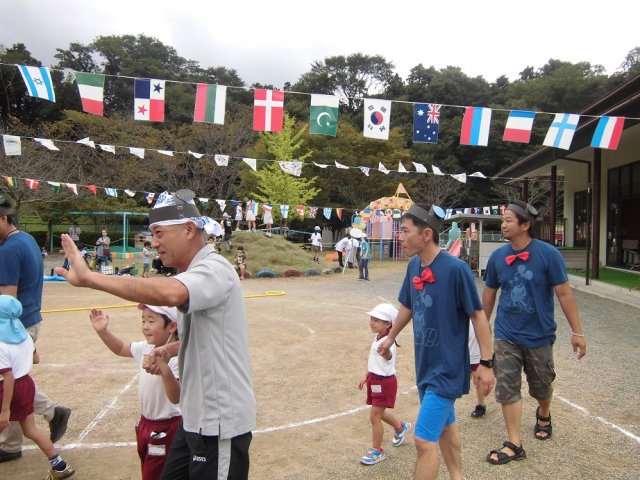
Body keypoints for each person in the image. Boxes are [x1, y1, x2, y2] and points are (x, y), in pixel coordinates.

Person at [55, 189, 256, 479]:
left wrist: (90, 278)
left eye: (159, 233)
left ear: (189, 229)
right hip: (194, 418)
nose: (154, 242)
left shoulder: (215, 269)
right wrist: (168, 350)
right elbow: (198, 335)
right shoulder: (195, 272)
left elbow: (168, 294)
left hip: (219, 421)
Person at [378, 204, 495, 480]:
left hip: (448, 368)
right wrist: (391, 336)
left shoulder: (456, 270)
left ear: (426, 234)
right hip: (426, 365)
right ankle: (458, 476)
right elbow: (407, 305)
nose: (400, 236)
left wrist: (486, 363)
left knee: (423, 441)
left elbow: (478, 316)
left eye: (405, 231)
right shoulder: (414, 265)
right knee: (445, 427)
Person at [482, 200, 586, 465]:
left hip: (539, 335)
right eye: (502, 220)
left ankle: (544, 411)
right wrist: (482, 327)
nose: (503, 225)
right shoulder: (497, 258)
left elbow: (563, 293)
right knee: (507, 387)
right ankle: (514, 443)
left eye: (508, 220)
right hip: (507, 334)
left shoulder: (549, 254)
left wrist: (578, 332)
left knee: (541, 385)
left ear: (526, 225)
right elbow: (490, 294)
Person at [0, 198, 71, 464]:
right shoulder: (26, 240)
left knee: (13, 380)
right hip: (28, 318)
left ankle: (11, 444)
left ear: (4, 219)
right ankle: (52, 413)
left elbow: (6, 300)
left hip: (13, 323)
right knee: (18, 379)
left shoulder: (7, 250)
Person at [90, 304, 181, 480]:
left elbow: (175, 397)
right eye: (143, 320)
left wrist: (164, 369)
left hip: (167, 426)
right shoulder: (146, 348)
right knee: (148, 467)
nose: (145, 326)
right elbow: (121, 348)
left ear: (172, 326)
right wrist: (103, 331)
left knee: (154, 474)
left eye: (151, 321)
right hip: (145, 423)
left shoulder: (176, 358)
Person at [0, 295, 76, 480]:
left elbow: (8, 377)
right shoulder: (25, 336)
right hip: (27, 385)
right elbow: (36, 358)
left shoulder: (1, 344)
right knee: (30, 430)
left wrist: (5, 410)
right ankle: (59, 465)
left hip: (7, 389)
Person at [358, 303, 412, 466]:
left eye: (376, 320)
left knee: (374, 415)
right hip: (375, 380)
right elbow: (375, 361)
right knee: (379, 413)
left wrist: (386, 352)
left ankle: (377, 451)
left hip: (384, 383)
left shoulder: (388, 342)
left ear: (388, 324)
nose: (371, 322)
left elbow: (388, 357)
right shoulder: (379, 337)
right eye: (371, 319)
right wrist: (366, 375)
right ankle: (400, 427)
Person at [468, 323, 487, 418]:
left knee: (478, 380)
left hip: (476, 350)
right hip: (460, 350)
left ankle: (481, 405)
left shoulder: (477, 314)